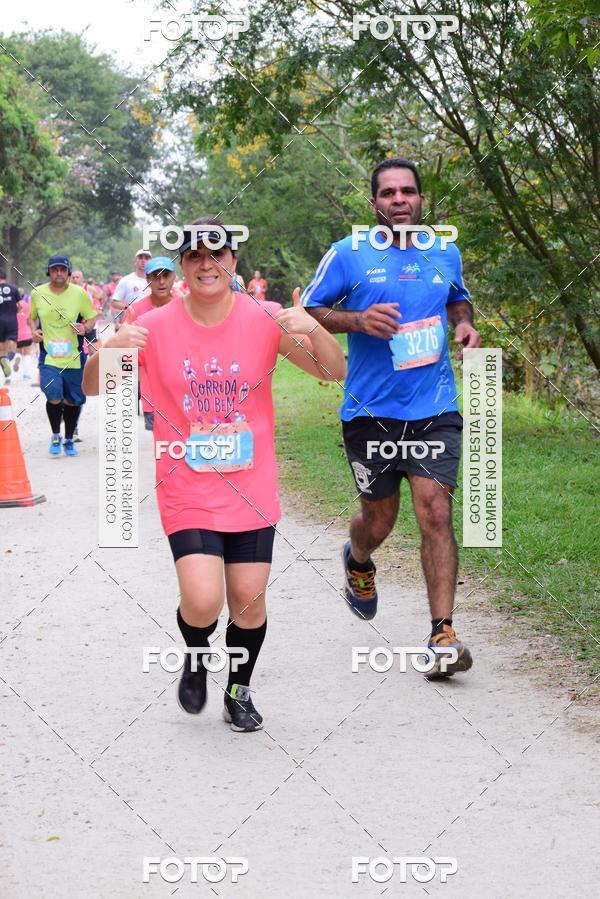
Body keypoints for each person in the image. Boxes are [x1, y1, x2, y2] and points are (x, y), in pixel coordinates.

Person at [84, 217, 346, 731]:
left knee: (248, 602)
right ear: (182, 266)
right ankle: (196, 652)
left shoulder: (264, 317)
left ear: (233, 260)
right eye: (195, 256)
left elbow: (334, 371)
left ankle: (238, 690)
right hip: (187, 485)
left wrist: (314, 326)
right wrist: (107, 347)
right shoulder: (153, 326)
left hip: (251, 487)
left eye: (217, 253)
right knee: (203, 602)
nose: (207, 264)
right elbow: (95, 387)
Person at [302, 157, 481, 677]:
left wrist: (463, 325)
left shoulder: (444, 251)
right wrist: (357, 319)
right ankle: (358, 559)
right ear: (374, 203)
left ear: (421, 200)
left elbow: (458, 300)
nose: (399, 200)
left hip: (434, 408)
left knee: (436, 512)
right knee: (379, 521)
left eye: (408, 191)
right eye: (388, 193)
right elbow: (310, 309)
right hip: (371, 413)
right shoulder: (348, 253)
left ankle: (442, 634)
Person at [29, 255, 97, 457]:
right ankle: (56, 435)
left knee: (73, 400)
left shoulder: (79, 294)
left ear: (68, 272)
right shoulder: (37, 293)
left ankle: (68, 439)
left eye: (62, 269)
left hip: (74, 358)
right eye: (54, 269)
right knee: (53, 396)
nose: (59, 273)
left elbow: (92, 318)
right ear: (48, 272)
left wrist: (85, 327)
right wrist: (34, 331)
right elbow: (31, 318)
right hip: (48, 357)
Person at [123, 256, 178, 431]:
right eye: (155, 276)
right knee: (161, 437)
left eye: (166, 276)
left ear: (174, 277)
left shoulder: (186, 305)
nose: (161, 282)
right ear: (147, 280)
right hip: (151, 388)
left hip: (183, 386)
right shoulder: (135, 310)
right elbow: (125, 347)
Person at [111, 251, 151, 328]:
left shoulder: (155, 280)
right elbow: (114, 303)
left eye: (146, 258)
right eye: (140, 258)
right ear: (135, 261)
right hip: (132, 322)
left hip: (150, 320)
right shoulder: (126, 280)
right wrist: (129, 308)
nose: (143, 260)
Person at [0, 267, 21, 384]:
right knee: (12, 346)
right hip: (11, 320)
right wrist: (14, 312)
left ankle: (7, 378)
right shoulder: (13, 288)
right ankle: (9, 359)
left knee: (1, 350)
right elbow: (21, 305)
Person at [15, 290, 35, 380]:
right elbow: (30, 321)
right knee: (27, 354)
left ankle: (17, 358)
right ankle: (26, 374)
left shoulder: (12, 307)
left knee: (18, 352)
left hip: (16, 334)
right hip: (27, 333)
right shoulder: (27, 307)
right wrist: (33, 331)